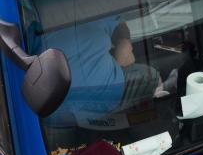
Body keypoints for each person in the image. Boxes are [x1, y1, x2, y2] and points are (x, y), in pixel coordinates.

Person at [33, 15, 161, 122]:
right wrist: (124, 41)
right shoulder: (104, 96)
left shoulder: (93, 23)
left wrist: (124, 42)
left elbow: (115, 21)